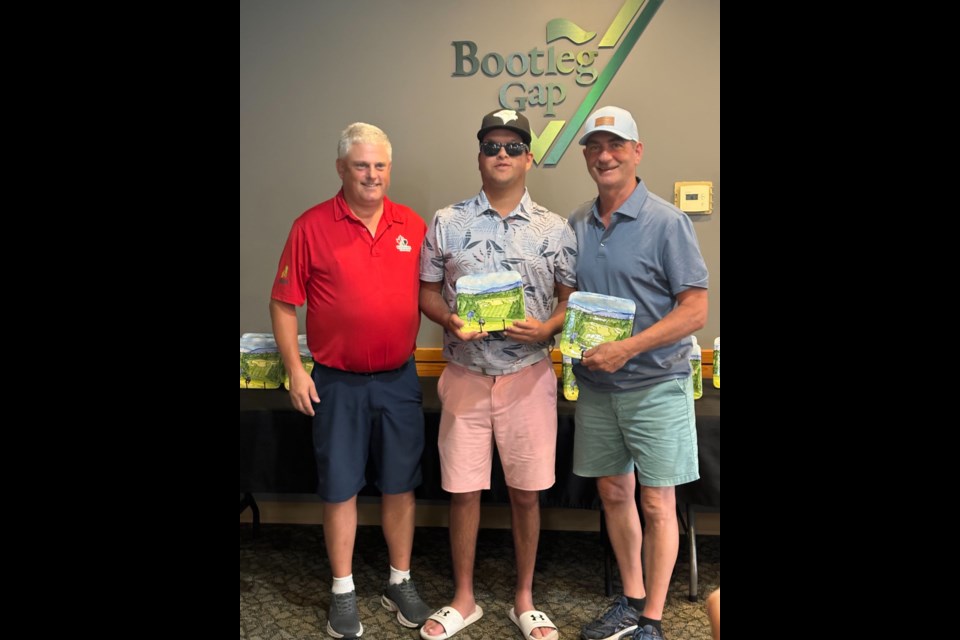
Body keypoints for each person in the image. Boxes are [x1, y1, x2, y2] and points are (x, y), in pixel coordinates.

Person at [418, 109, 577, 640]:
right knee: (462, 491)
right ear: (479, 154)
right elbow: (427, 294)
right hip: (465, 375)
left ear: (530, 156)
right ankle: (464, 599)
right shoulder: (447, 221)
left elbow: (568, 300)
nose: (502, 155)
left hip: (529, 377)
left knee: (527, 492)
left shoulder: (556, 228)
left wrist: (547, 329)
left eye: (513, 147)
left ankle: (524, 598)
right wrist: (449, 319)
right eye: (492, 146)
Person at [270, 122, 433, 639]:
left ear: (390, 169)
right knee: (340, 488)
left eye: (380, 165)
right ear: (341, 168)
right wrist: (296, 370)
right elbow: (282, 302)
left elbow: (434, 291)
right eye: (361, 165)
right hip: (336, 382)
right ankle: (343, 590)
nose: (371, 174)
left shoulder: (412, 224)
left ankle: (399, 581)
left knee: (400, 484)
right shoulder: (310, 226)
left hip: (399, 380)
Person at [569, 106, 709, 640]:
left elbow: (695, 311)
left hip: (656, 384)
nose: (605, 156)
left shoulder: (667, 222)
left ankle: (652, 617)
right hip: (598, 388)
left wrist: (628, 349)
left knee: (656, 500)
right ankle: (629, 601)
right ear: (586, 155)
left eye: (616, 145)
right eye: (595, 147)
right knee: (613, 494)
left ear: (636, 151)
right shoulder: (579, 222)